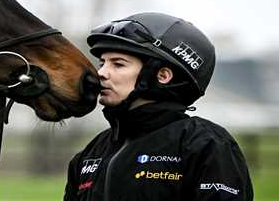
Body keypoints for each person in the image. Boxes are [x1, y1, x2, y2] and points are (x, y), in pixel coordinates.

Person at [64, 12, 253, 201]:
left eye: (118, 64)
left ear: (162, 76)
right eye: (102, 63)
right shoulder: (89, 154)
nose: (101, 73)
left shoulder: (206, 144)